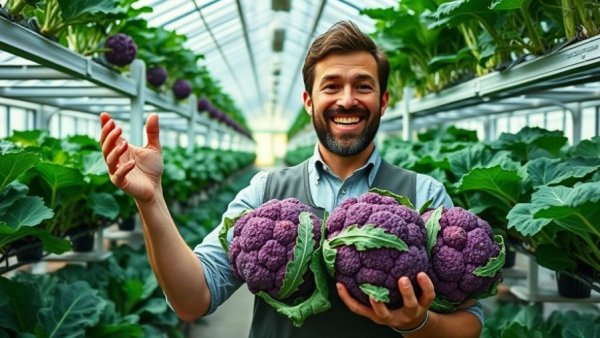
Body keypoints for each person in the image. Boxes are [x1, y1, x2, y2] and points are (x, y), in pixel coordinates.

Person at [100, 20, 483, 337]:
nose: (347, 99)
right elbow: (192, 299)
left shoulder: (425, 194)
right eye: (331, 86)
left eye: (363, 86)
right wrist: (151, 201)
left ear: (383, 101)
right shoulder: (264, 193)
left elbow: (470, 322)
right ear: (308, 102)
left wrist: (419, 323)